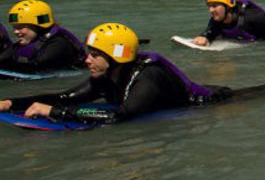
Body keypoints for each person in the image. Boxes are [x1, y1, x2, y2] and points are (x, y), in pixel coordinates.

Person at [0, 22, 231, 124]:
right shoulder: (106, 75)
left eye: (94, 54)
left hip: (212, 103)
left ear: (115, 57)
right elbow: (65, 97)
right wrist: (12, 103)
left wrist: (57, 114)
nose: (86, 59)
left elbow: (120, 116)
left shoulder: (148, 76)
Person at [0, 0, 85, 73]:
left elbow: (38, 65)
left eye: (20, 27)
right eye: (14, 27)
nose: (15, 32)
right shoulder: (25, 43)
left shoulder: (59, 43)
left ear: (38, 27)